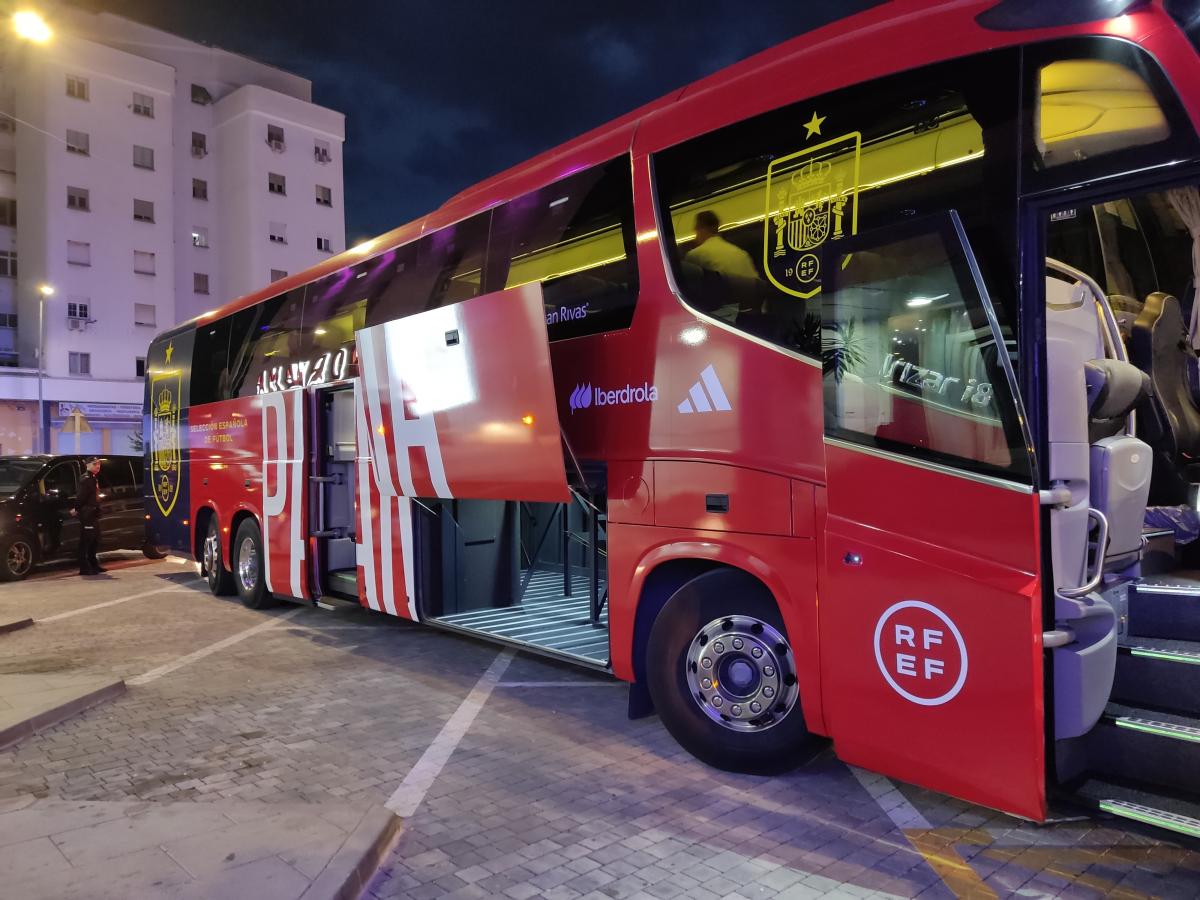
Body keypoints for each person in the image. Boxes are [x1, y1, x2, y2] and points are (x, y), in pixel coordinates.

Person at [684, 210, 760, 323]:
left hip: (723, 317)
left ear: (700, 229)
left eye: (695, 231)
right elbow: (758, 286)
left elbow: (692, 291)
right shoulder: (740, 253)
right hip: (752, 315)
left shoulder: (696, 255)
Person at [74, 457, 105, 575]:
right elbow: (81, 497)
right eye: (95, 464)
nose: (98, 466)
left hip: (93, 513)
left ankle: (94, 565)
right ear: (88, 465)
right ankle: (84, 568)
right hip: (87, 514)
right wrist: (76, 508)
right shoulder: (86, 479)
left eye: (99, 464)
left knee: (95, 540)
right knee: (86, 541)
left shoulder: (92, 478)